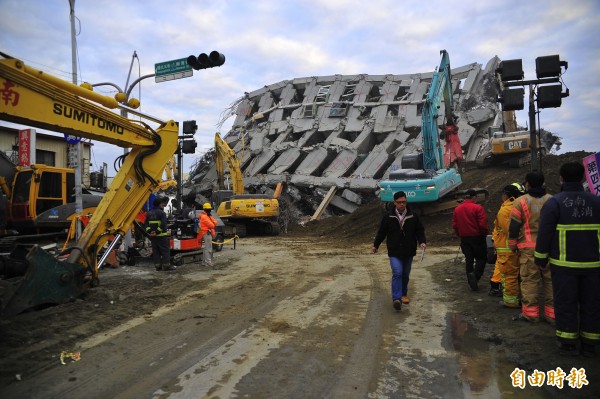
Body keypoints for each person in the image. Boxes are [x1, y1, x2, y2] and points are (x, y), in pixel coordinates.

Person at [534, 162, 600, 357]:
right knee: (593, 303)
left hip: (564, 266)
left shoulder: (555, 203)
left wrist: (540, 258)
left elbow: (544, 233)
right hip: (594, 264)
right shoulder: (596, 202)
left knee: (566, 302)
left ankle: (567, 342)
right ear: (582, 178)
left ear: (561, 178)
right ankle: (590, 343)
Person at [508, 172, 552, 324]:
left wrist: (512, 243)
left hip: (528, 248)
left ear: (527, 184)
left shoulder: (521, 201)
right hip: (549, 248)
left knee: (529, 280)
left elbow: (514, 226)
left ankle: (531, 314)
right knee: (550, 280)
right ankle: (552, 315)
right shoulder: (552, 200)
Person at [372, 191, 427, 311]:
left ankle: (403, 294)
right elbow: (382, 232)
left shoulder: (413, 216)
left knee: (405, 275)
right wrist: (376, 245)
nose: (402, 204)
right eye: (399, 202)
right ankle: (396, 298)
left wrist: (422, 241)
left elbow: (419, 230)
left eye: (404, 202)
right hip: (394, 250)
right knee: (397, 272)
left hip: (409, 250)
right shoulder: (388, 217)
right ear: (394, 203)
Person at [491, 183, 524, 306]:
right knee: (516, 275)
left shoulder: (506, 210)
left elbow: (508, 230)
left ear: (507, 195)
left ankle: (511, 302)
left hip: (507, 249)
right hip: (513, 247)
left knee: (509, 276)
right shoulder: (518, 205)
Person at [452, 189, 488, 291]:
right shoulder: (478, 208)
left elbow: (455, 225)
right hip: (477, 237)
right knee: (481, 258)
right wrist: (484, 234)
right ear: (474, 197)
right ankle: (475, 277)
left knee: (469, 259)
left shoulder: (457, 209)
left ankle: (470, 280)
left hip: (465, 239)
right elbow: (482, 224)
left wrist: (460, 234)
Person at [144, 197, 175, 271]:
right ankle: (166, 266)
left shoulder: (149, 213)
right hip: (161, 236)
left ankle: (158, 266)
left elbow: (145, 224)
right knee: (165, 250)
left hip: (153, 237)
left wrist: (150, 232)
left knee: (156, 251)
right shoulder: (162, 213)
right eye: (162, 203)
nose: (163, 205)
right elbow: (163, 224)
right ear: (159, 204)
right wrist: (157, 232)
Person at [199, 202, 218, 267]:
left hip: (206, 233)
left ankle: (204, 262)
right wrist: (211, 220)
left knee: (206, 248)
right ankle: (208, 262)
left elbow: (215, 222)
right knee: (208, 248)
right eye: (209, 209)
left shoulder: (207, 216)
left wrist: (210, 217)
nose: (210, 210)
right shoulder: (205, 217)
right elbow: (212, 225)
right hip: (206, 233)